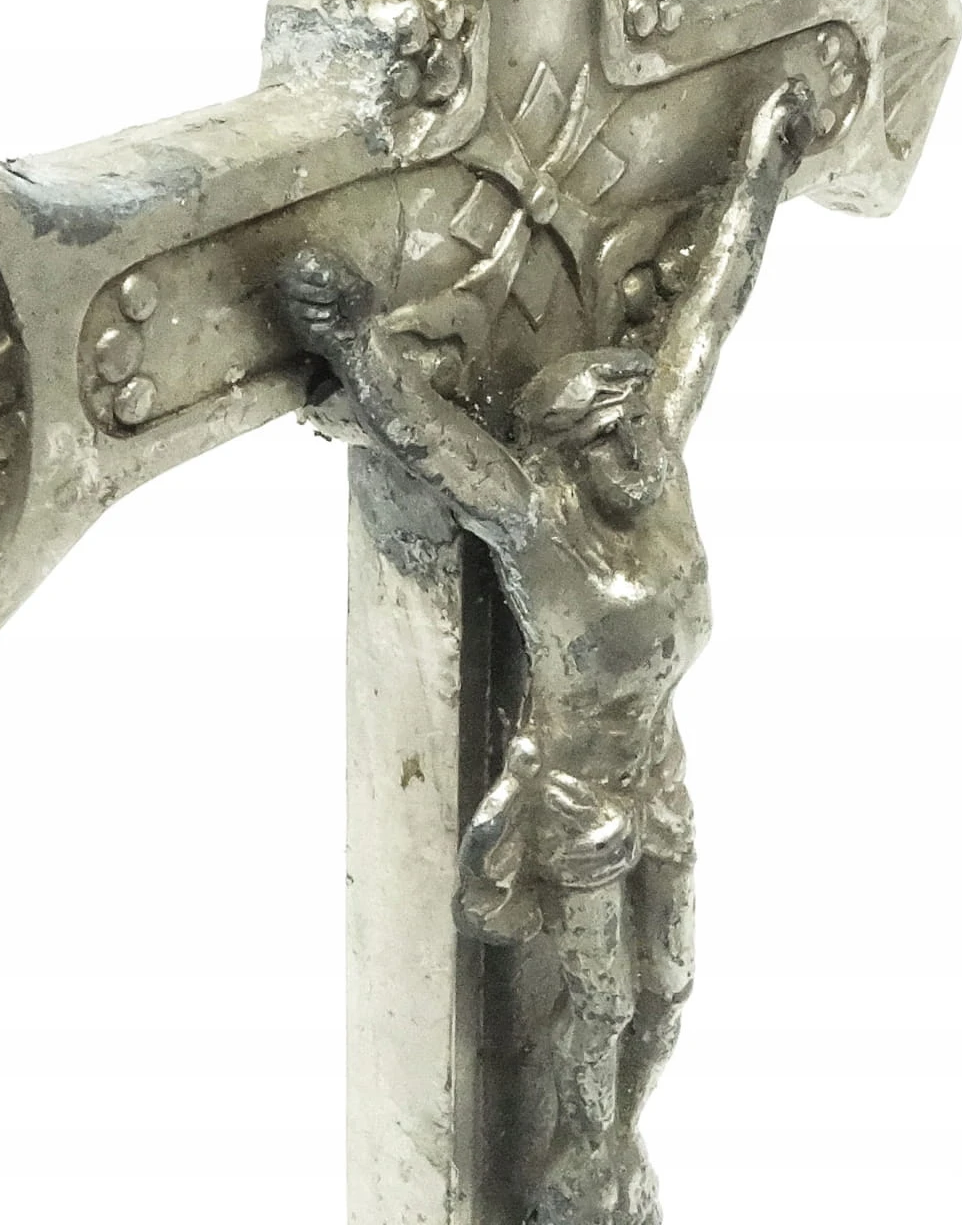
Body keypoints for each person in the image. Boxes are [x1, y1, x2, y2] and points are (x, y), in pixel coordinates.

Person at [281, 78, 816, 1225]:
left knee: (668, 992)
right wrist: (348, 338)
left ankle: (617, 1146)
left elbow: (708, 307)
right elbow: (430, 442)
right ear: (571, 450)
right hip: (572, 800)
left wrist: (762, 165)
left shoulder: (653, 463)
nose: (643, 446)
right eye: (615, 434)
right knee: (601, 1004)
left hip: (656, 775)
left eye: (643, 422)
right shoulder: (537, 522)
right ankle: (578, 1167)